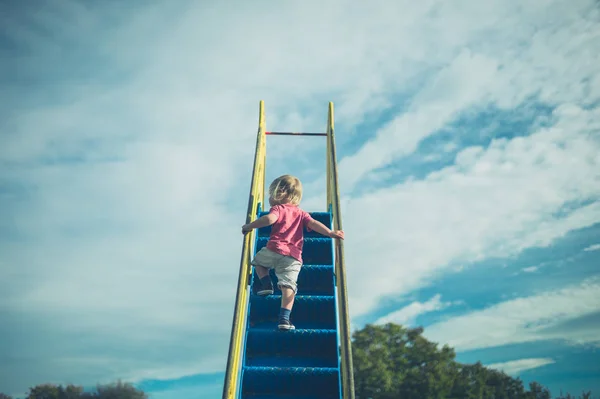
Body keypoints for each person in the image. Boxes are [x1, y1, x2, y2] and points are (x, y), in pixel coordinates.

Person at [242, 174, 344, 330]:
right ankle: (284, 319)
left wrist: (249, 226)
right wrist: (330, 233)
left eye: (271, 194)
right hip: (293, 257)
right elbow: (314, 224)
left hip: (273, 249)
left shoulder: (278, 208)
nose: (269, 198)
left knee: (258, 262)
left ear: (279, 193)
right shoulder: (301, 213)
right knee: (289, 287)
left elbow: (269, 219)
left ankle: (266, 283)